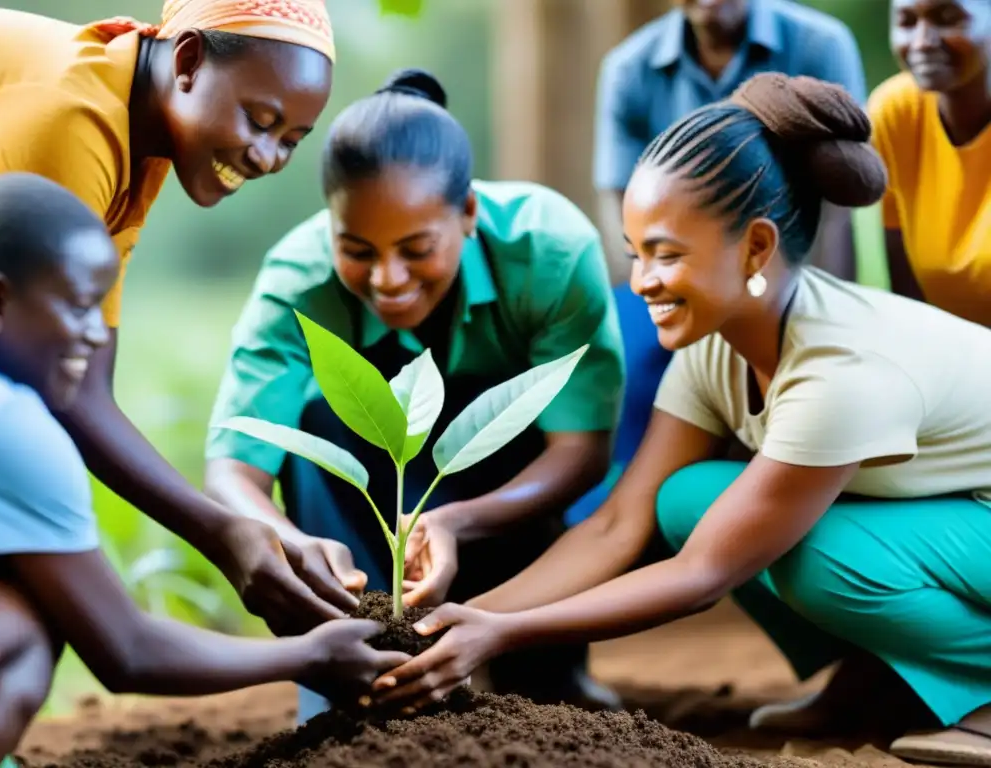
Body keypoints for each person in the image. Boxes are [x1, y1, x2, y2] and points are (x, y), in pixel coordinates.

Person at [375, 73, 991, 768]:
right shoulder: (720, 344)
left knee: (811, 557)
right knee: (687, 499)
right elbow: (619, 522)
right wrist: (462, 619)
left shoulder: (839, 374)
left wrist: (503, 634)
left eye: (667, 255)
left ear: (756, 249)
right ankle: (886, 680)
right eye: (637, 253)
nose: (641, 282)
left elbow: (703, 575)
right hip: (958, 519)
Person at [204, 68, 626, 723]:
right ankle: (351, 669)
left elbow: (580, 450)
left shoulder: (549, 250)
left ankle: (546, 671)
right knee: (316, 421)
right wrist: (293, 544)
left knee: (543, 708)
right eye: (357, 250)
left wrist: (458, 519)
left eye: (416, 249)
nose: (388, 278)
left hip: (500, 495)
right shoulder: (298, 279)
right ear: (330, 224)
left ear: (467, 214)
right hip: (358, 497)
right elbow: (234, 471)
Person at [0, 173, 410, 768]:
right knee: (34, 618)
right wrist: (311, 656)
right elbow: (126, 650)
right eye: (79, 307)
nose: (99, 334)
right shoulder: (6, 422)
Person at [0, 0, 359, 635]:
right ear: (187, 61)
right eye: (259, 120)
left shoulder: (140, 135)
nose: (267, 157)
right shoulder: (74, 117)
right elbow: (34, 376)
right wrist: (223, 531)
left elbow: (82, 381)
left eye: (292, 140)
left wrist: (245, 530)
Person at [572, 0, 871, 526]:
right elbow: (620, 211)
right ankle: (610, 511)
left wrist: (820, 307)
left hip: (783, 273)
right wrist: (664, 290)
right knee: (621, 354)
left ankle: (781, 503)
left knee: (799, 367)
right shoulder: (630, 67)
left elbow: (839, 210)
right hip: (674, 272)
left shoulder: (819, 45)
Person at [869, 0, 991, 328]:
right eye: (907, 22)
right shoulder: (896, 113)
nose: (922, 41)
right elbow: (907, 293)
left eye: (948, 18)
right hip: (951, 354)